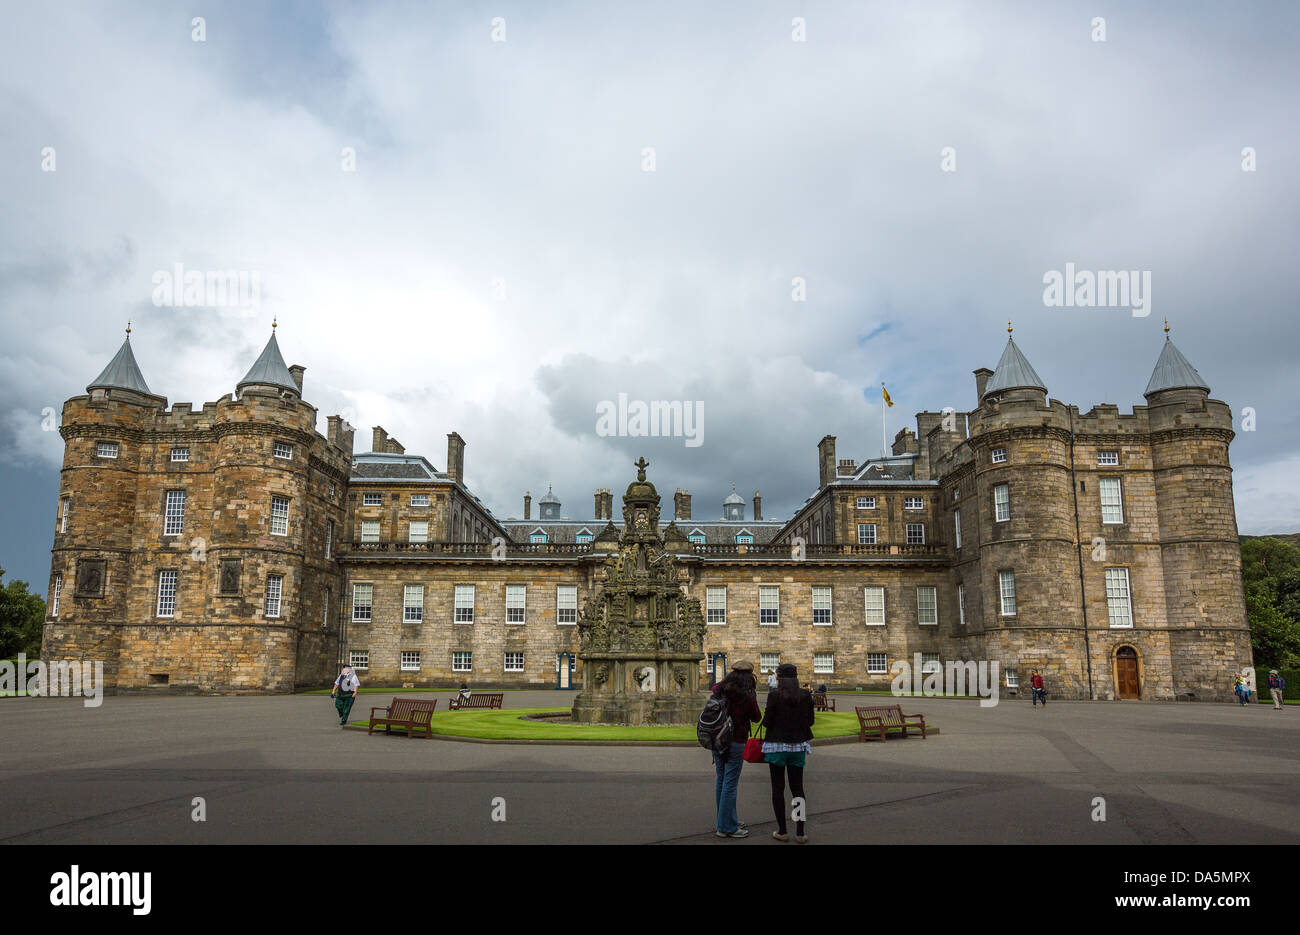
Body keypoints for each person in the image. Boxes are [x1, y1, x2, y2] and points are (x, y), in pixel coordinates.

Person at [762, 662, 815, 843]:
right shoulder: (805, 695)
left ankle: (782, 830)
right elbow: (810, 721)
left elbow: (767, 722)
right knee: (797, 789)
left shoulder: (774, 695)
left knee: (778, 789)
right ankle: (800, 832)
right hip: (798, 745)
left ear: (779, 677)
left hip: (777, 745)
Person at [711, 660, 762, 839]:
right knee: (730, 783)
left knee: (722, 780)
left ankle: (725, 819)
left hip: (717, 739)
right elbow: (757, 717)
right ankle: (726, 827)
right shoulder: (746, 695)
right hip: (736, 740)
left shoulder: (720, 689)